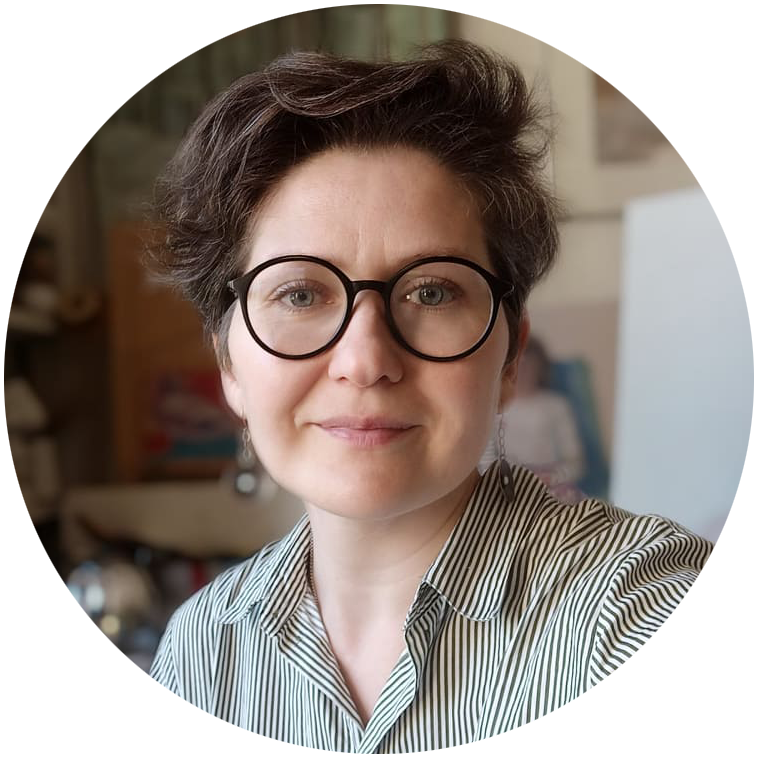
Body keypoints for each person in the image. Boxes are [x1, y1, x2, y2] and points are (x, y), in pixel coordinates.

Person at [140, 41, 753, 754]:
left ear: (510, 356)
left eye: (431, 292)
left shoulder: (647, 624)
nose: (366, 360)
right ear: (230, 363)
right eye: (300, 294)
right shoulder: (203, 657)